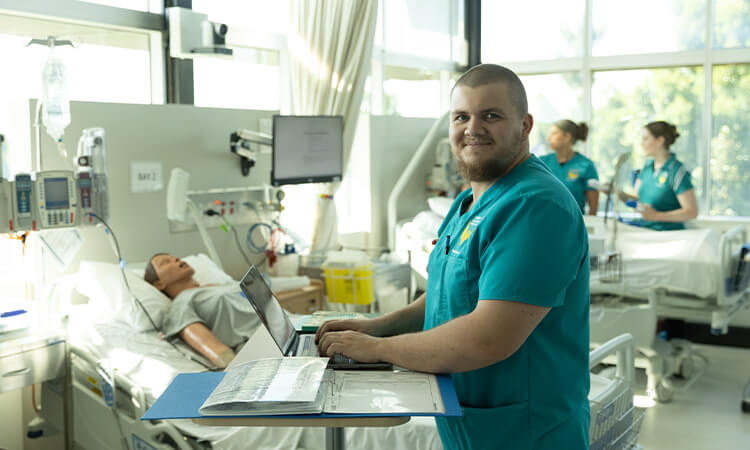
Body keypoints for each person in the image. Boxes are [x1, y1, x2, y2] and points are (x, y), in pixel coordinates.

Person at [316, 64, 590, 449]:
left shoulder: (535, 207)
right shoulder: (469, 201)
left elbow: (487, 338)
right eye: (461, 116)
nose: (472, 128)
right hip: (473, 425)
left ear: (525, 125)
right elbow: (448, 295)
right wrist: (378, 326)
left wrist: (377, 351)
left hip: (525, 433)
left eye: (491, 115)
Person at [144, 253, 260, 368]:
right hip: (262, 338)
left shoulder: (217, 288)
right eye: (166, 262)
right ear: (159, 284)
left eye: (173, 257)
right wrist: (241, 370)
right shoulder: (180, 305)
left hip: (274, 318)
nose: (176, 258)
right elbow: (216, 351)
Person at [619, 121, 698, 230]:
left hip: (669, 235)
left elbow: (691, 212)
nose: (642, 143)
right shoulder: (647, 167)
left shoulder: (676, 171)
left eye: (646, 139)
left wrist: (656, 216)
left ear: (660, 140)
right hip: (646, 230)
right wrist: (616, 193)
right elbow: (637, 200)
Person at [540, 120, 599, 215]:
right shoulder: (542, 162)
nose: (549, 138)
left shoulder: (586, 165)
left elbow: (593, 210)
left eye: (554, 133)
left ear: (567, 137)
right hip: (543, 219)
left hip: (574, 223)